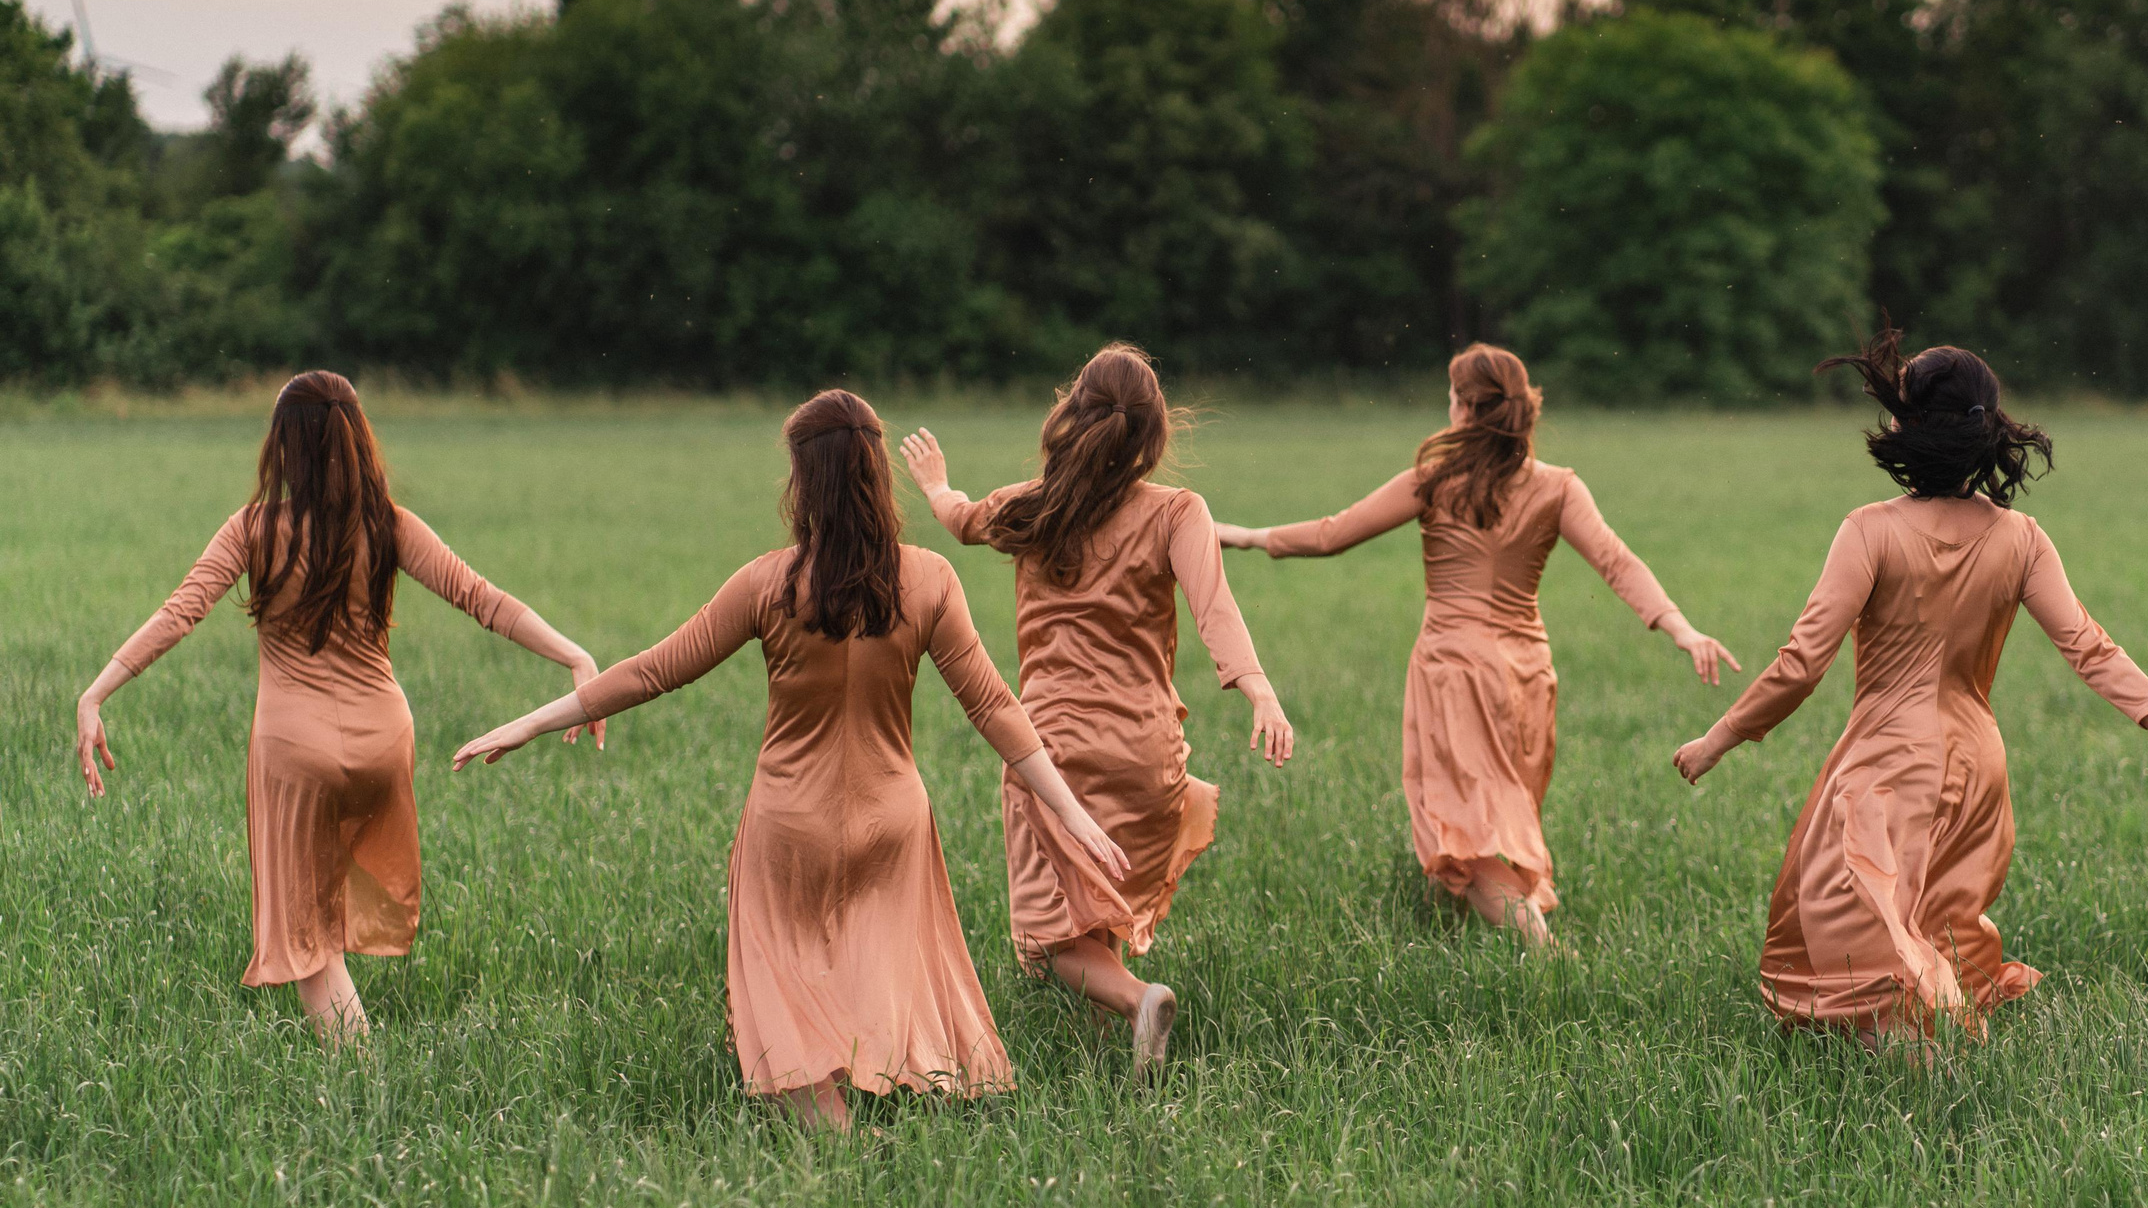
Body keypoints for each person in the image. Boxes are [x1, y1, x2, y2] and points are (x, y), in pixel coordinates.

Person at [451, 390, 1125, 1131]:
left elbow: (655, 669)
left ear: (804, 483)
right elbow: (995, 706)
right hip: (893, 818)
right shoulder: (930, 578)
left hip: (789, 821)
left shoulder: (769, 583)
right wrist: (1071, 812)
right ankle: (883, 1095)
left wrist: (531, 722)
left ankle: (830, 1139)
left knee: (779, 981)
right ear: (877, 474)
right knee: (882, 963)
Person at [1674, 331, 2148, 1044]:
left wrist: (1719, 738)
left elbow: (1802, 663)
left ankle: (1929, 1086)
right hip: (1978, 766)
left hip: (1890, 760)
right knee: (1924, 929)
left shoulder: (1869, 531)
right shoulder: (2020, 538)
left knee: (1852, 928)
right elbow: (2091, 651)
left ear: (1913, 428)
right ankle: (1939, 1077)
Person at [73, 370, 603, 1045]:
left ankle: (364, 1079)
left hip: (296, 752)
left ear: (283, 447)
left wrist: (97, 691)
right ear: (355, 440)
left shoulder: (254, 529)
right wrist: (574, 657)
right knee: (322, 920)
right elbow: (481, 598)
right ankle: (362, 1066)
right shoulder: (389, 527)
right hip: (385, 739)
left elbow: (181, 613)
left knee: (304, 935)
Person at [1219, 343, 1737, 946]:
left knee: (1465, 819)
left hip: (1455, 670)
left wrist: (1245, 536)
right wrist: (1681, 627)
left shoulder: (1435, 481)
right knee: (1496, 808)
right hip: (1527, 674)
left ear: (1465, 409)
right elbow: (1617, 563)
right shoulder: (1557, 487)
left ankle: (1537, 950)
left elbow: (1335, 534)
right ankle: (1501, 923)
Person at [900, 344, 1291, 1078]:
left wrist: (936, 483)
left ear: (1072, 416)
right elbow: (1217, 612)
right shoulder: (1179, 510)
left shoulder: (1029, 506)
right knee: (1098, 906)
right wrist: (1258, 688)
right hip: (1149, 753)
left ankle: (1140, 1001)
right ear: (1153, 434)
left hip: (1052, 750)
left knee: (1049, 939)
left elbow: (956, 520)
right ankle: (1116, 1048)